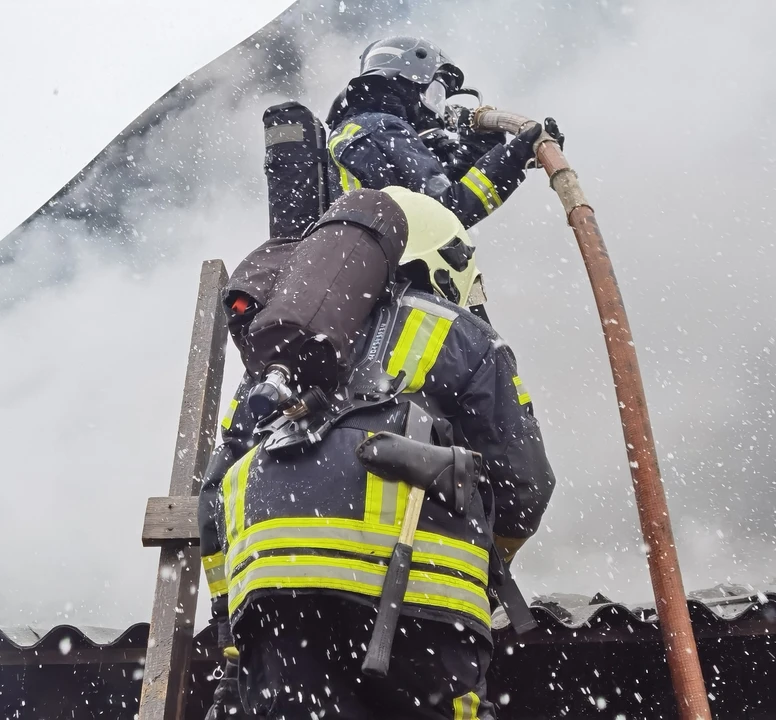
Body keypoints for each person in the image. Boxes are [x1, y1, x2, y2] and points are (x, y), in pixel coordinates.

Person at [199, 186, 557, 719]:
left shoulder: (278, 358)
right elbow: (525, 483)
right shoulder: (463, 334)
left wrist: (231, 617)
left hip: (275, 589)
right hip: (417, 595)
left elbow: (214, 497)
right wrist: (484, 561)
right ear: (442, 259)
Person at [324, 36, 565, 230]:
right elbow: (445, 212)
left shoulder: (359, 129)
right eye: (435, 94)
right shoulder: (382, 126)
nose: (436, 110)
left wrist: (479, 149)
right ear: (409, 84)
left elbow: (430, 196)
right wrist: (512, 159)